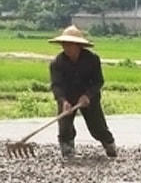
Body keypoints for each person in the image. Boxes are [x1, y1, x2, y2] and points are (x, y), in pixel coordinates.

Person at [48, 25, 117, 158]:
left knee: (97, 127)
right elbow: (56, 85)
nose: (66, 47)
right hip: (67, 96)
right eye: (64, 44)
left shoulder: (92, 60)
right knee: (64, 126)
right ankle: (67, 151)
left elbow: (98, 81)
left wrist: (87, 96)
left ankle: (109, 145)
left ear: (78, 45)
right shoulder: (57, 63)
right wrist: (63, 101)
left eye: (69, 44)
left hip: (89, 97)